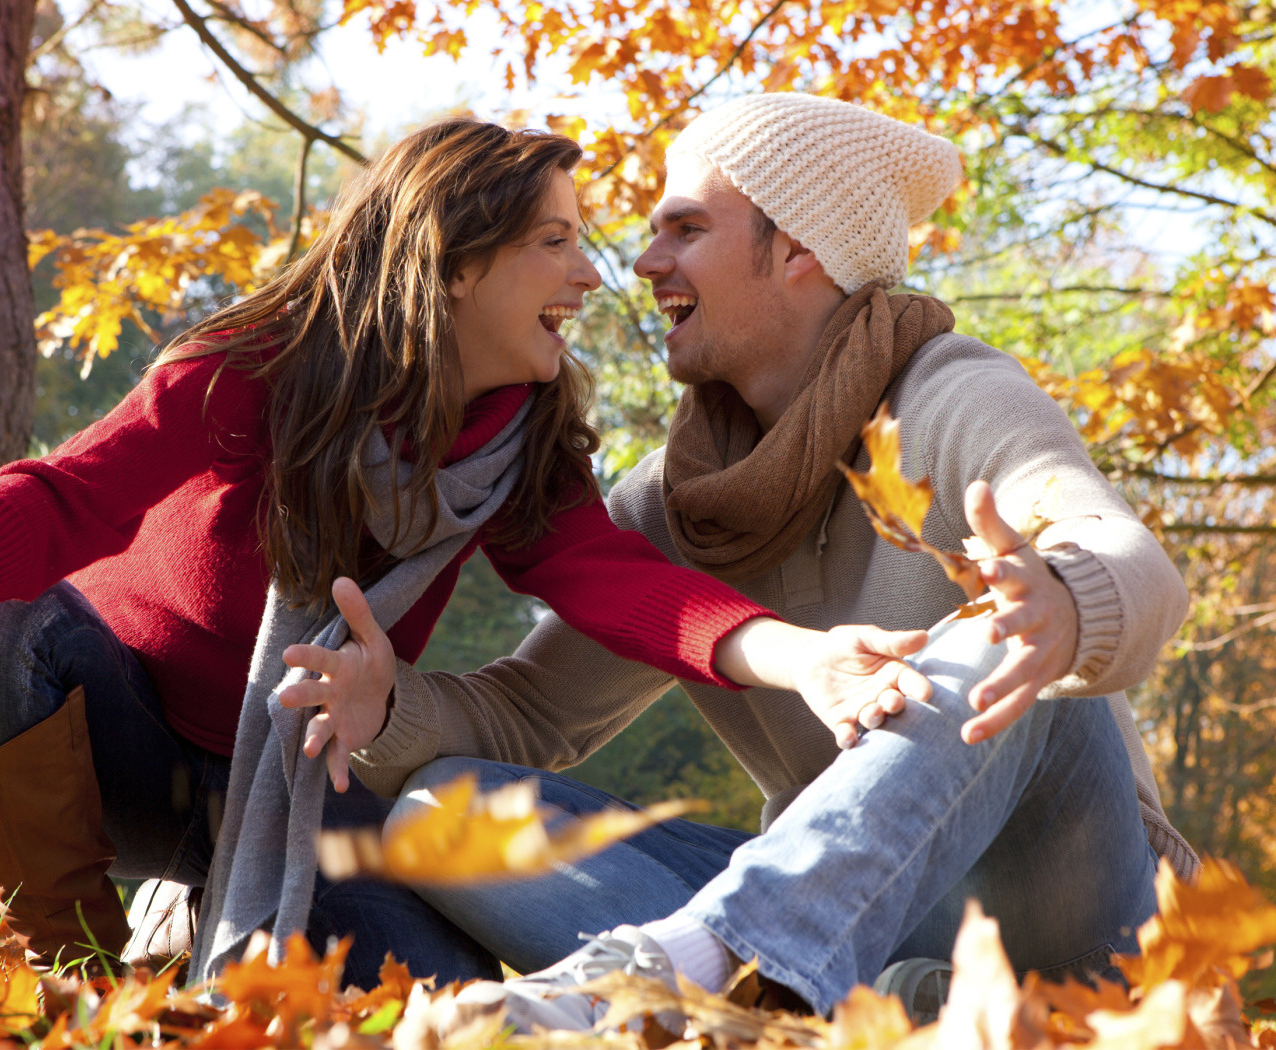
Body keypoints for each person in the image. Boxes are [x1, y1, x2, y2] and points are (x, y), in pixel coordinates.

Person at [0, 117, 935, 985]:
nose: (591, 278)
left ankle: (204, 920)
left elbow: (621, 587)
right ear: (457, 259)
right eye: (555, 242)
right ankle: (72, 970)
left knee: (428, 987)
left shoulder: (519, 448)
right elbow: (75, 492)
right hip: (121, 740)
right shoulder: (256, 369)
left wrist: (802, 658)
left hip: (299, 783)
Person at [300, 95, 1197, 1023]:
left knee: (992, 637)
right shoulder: (676, 501)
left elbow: (1130, 558)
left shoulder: (951, 395)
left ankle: (708, 972)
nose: (643, 266)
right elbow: (532, 713)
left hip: (1071, 926)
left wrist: (1059, 601)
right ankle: (836, 1007)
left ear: (802, 250)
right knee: (448, 812)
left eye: (686, 230)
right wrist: (387, 709)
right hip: (847, 923)